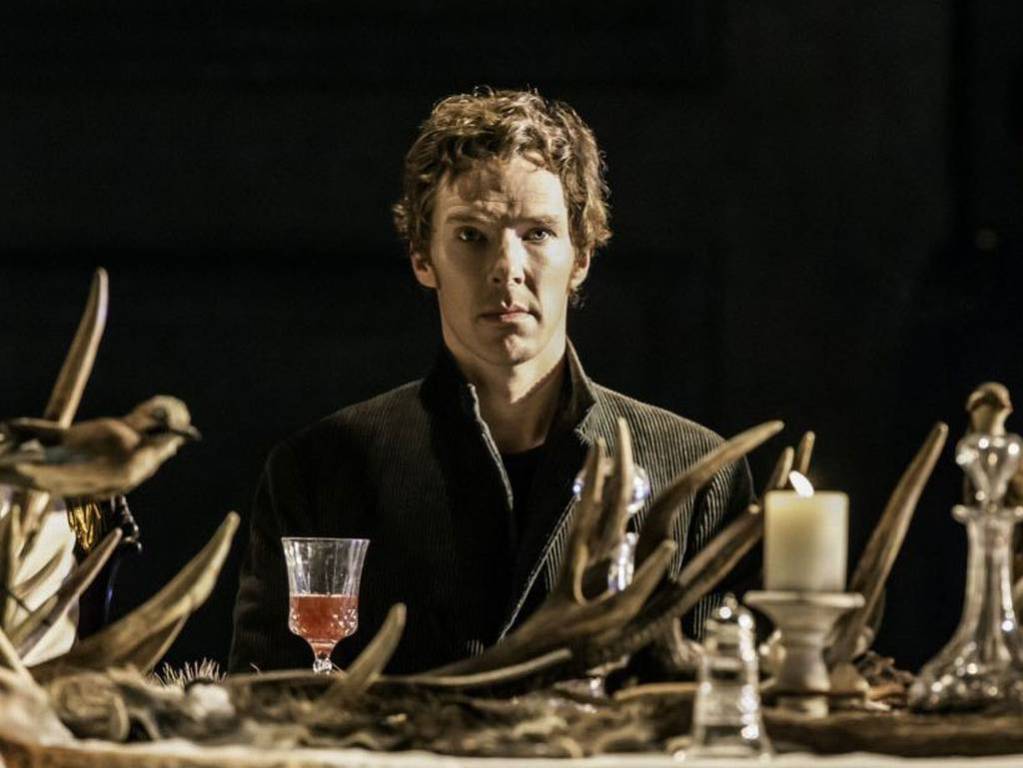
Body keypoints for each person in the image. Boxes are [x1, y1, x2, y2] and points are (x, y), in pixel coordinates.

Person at [229, 89, 753, 675]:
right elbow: (260, 708)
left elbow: (727, 705)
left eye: (537, 233)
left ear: (581, 256)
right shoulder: (317, 471)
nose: (506, 267)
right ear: (422, 259)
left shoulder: (700, 475)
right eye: (471, 235)